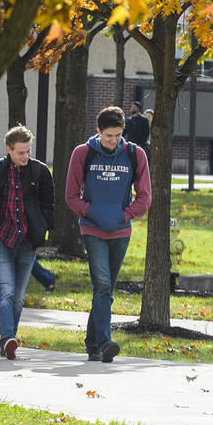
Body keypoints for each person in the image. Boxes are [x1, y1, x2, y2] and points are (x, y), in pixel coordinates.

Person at [66, 106, 151, 364]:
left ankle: (92, 344)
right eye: (108, 136)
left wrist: (125, 214)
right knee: (102, 284)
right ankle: (105, 343)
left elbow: (144, 197)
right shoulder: (83, 153)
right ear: (98, 131)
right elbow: (71, 195)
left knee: (106, 289)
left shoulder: (135, 154)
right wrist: (91, 211)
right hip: (92, 228)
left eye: (118, 135)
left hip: (120, 230)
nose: (113, 140)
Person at [0, 125, 54, 361]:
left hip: (27, 243)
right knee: (6, 291)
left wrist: (43, 226)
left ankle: (7, 343)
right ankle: (8, 338)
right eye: (20, 152)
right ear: (9, 149)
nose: (25, 156)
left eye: (28, 151)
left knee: (18, 299)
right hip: (2, 241)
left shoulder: (39, 171)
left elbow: (49, 204)